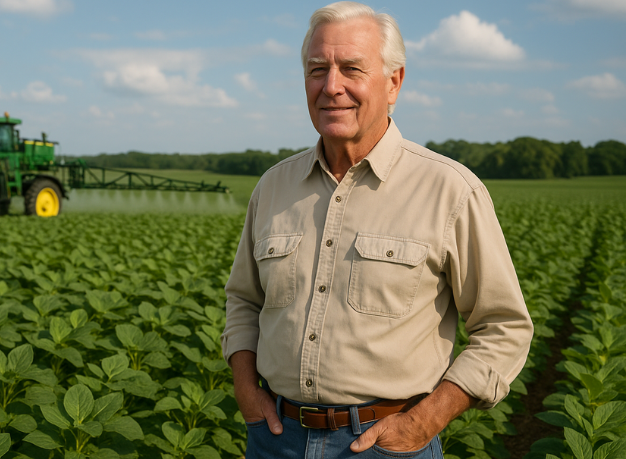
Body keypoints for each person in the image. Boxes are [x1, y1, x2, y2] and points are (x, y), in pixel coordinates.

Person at [220, 2, 534, 458]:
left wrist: (424, 421)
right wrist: (247, 389)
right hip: (275, 437)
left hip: (386, 444)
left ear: (393, 83)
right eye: (317, 70)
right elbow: (244, 301)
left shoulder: (450, 190)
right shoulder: (273, 186)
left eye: (351, 68)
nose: (331, 86)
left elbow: (504, 327)